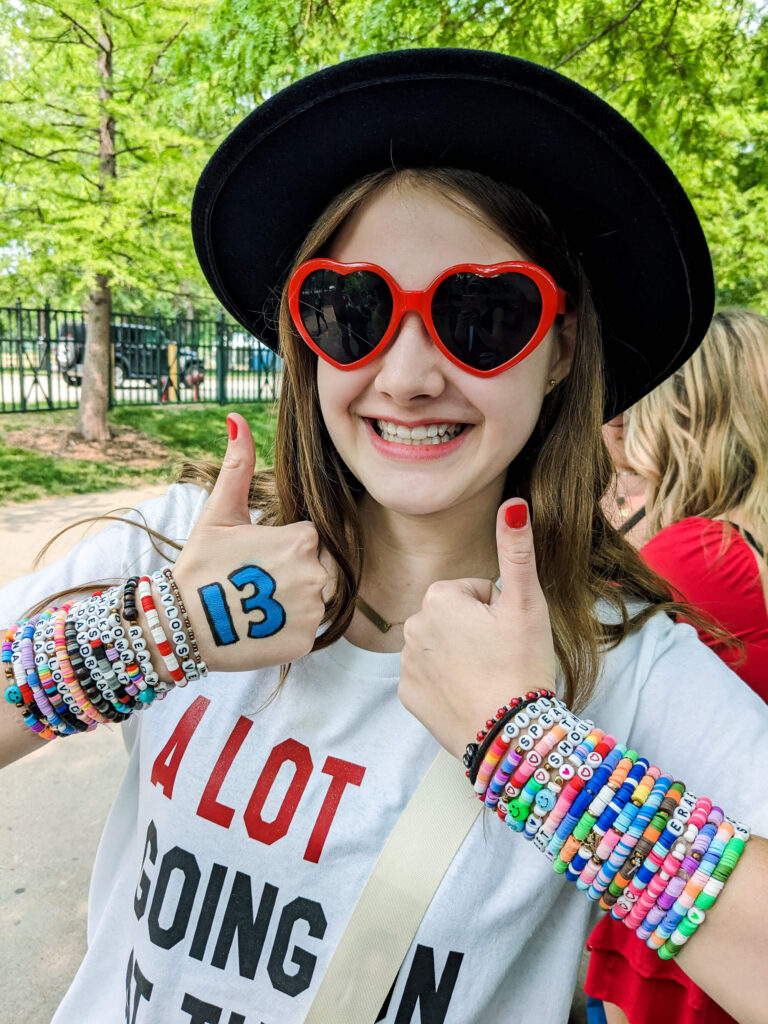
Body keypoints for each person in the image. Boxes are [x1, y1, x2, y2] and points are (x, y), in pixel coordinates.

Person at [2, 50, 768, 1024]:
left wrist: (545, 762)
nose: (407, 376)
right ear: (305, 331)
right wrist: (158, 634)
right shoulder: (180, 549)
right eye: (351, 310)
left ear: (563, 346)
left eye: (482, 314)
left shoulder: (624, 666)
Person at [586, 308, 768, 1024]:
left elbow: (575, 672)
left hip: (685, 923)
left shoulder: (696, 556)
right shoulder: (740, 546)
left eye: (636, 406)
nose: (618, 426)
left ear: (681, 414)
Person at [600, 413, 648, 548]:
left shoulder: (679, 492)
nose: (629, 423)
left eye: (635, 411)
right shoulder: (586, 492)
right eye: (619, 413)